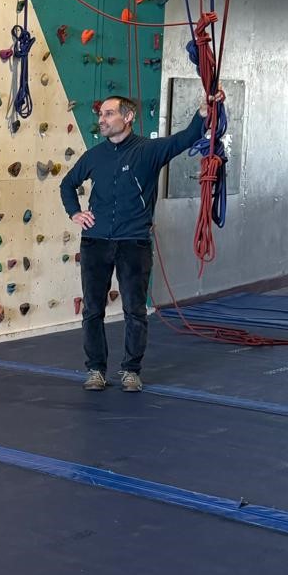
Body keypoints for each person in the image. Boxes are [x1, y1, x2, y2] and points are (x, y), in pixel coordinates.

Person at [60, 92, 219, 391]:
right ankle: (95, 370)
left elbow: (186, 138)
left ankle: (131, 371)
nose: (102, 120)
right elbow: (67, 184)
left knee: (134, 310)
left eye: (108, 114)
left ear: (128, 116)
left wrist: (203, 112)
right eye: (101, 115)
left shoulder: (150, 150)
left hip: (134, 243)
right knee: (92, 310)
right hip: (95, 242)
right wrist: (75, 212)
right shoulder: (94, 155)